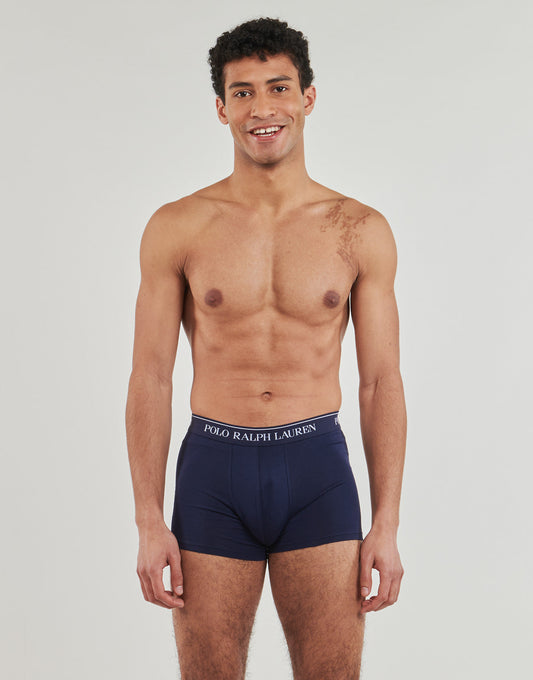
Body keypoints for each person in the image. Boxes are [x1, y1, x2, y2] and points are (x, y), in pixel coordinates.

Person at [125, 16, 407, 680]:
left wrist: (387, 523)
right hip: (212, 473)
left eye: (277, 87)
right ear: (221, 108)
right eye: (242, 92)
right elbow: (151, 378)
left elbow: (380, 382)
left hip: (317, 471)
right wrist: (148, 520)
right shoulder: (178, 226)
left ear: (307, 97)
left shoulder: (358, 229)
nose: (261, 108)